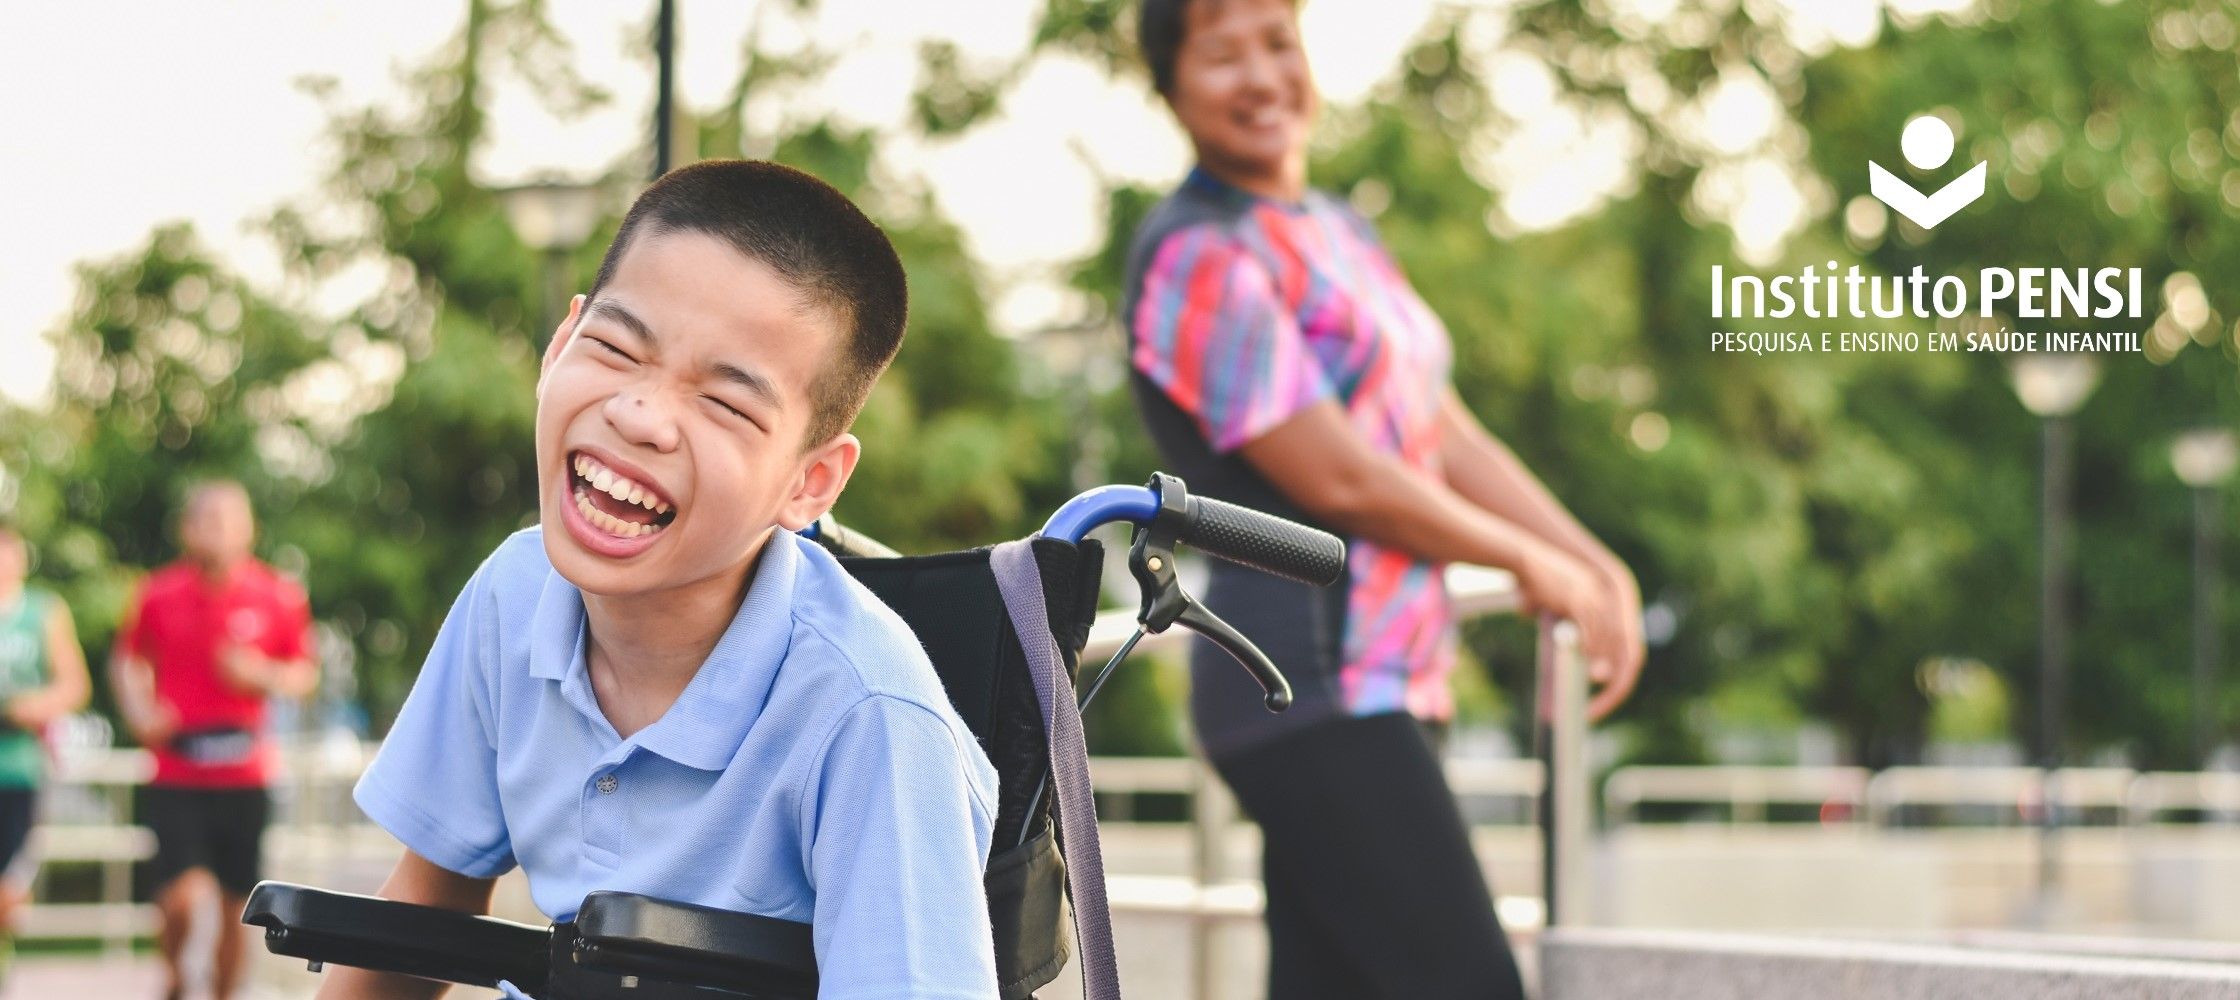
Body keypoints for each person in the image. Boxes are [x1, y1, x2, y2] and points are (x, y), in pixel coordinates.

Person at [321, 160, 1000, 1000]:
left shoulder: (868, 718)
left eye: (726, 402)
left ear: (810, 483)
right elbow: (430, 905)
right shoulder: (515, 591)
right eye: (614, 347)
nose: (639, 415)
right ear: (560, 344)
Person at [1122, 0, 1649, 996]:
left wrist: (1586, 558)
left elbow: (1442, 428)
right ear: (1170, 88)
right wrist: (1524, 562)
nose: (1260, 77)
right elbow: (1339, 476)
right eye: (1222, 55)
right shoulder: (1193, 251)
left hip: (1391, 670)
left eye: (1276, 43)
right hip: (1305, 681)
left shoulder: (1335, 229)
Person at [112, 480, 318, 1000]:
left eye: (229, 518)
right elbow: (126, 660)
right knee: (180, 899)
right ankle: (177, 976)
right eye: (207, 518)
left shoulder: (278, 595)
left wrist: (261, 674)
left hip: (243, 774)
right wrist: (139, 708)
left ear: (250, 528)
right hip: (176, 770)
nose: (218, 529)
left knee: (234, 908)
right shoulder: (157, 593)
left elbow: (304, 675)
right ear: (187, 528)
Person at [0, 523, 92, 976]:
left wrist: (32, 707)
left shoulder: (42, 611)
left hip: (20, 772)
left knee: (8, 892)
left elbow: (74, 685)